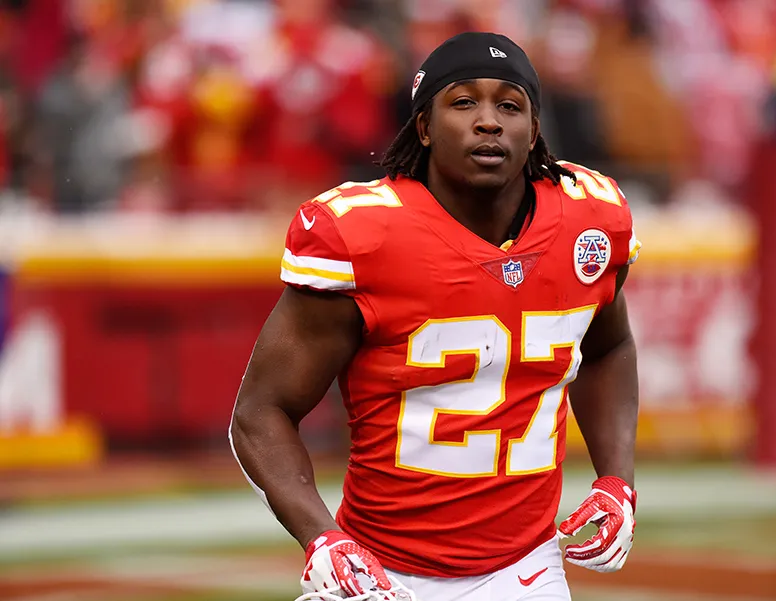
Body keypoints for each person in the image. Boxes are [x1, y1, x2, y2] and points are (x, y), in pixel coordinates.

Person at [229, 32, 640, 601]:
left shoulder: (588, 220)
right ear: (423, 127)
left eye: (510, 104)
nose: (489, 121)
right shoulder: (365, 234)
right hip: (377, 572)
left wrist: (616, 480)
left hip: (523, 568)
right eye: (464, 101)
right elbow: (260, 411)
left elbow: (609, 348)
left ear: (535, 128)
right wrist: (321, 538)